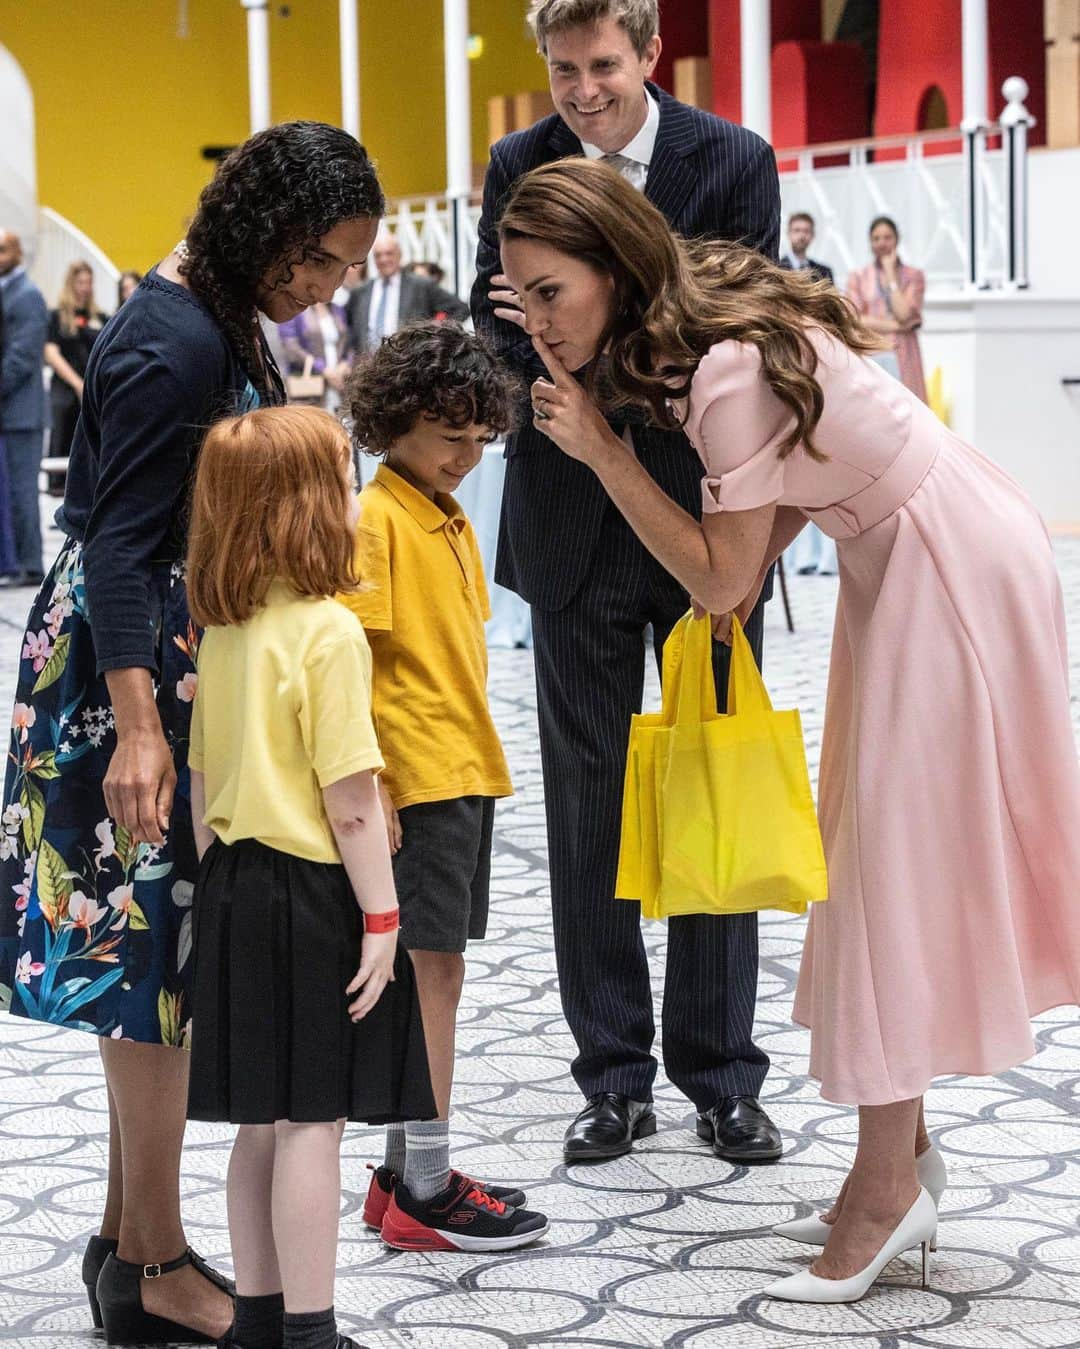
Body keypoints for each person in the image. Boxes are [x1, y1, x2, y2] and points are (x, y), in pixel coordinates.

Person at [497, 156, 1080, 1303]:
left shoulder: (716, 369)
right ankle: (895, 1157)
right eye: (520, 297)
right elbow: (776, 511)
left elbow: (717, 580)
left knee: (892, 872)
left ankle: (883, 1184)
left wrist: (605, 455)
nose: (536, 322)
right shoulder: (692, 328)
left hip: (941, 565)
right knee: (873, 864)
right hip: (909, 552)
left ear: (615, 271)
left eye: (551, 291)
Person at [0, 121, 384, 1343]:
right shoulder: (175, 337)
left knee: (156, 964)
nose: (327, 287)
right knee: (147, 971)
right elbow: (115, 539)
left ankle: (131, 1239)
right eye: (320, 262)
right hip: (128, 673)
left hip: (163, 653)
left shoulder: (203, 305)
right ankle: (156, 1261)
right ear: (271, 234)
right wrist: (137, 731)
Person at [472, 0, 783, 1166]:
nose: (583, 90)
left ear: (650, 55)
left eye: (602, 65)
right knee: (585, 807)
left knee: (711, 785)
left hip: (710, 511)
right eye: (562, 69)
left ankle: (721, 1075)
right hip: (566, 523)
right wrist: (572, 355)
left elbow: (738, 327)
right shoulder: (518, 163)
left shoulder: (732, 162)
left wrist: (596, 371)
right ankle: (612, 1073)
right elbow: (499, 329)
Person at [185, 404, 435, 1349]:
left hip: (236, 883)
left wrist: (228, 891)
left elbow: (205, 783)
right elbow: (353, 799)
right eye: (340, 478)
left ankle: (255, 1316)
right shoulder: (329, 632)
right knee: (312, 1123)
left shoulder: (225, 629)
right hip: (312, 894)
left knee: (258, 1118)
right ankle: (312, 1328)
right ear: (305, 506)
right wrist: (381, 914)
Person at [340, 322, 549, 1253]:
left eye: (479, 438)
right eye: (446, 434)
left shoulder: (444, 511)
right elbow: (354, 661)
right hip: (418, 780)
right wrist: (375, 784)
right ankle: (425, 1183)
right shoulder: (378, 517)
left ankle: (401, 1170)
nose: (466, 455)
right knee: (432, 978)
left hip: (461, 768)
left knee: (437, 974)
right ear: (392, 424)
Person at [0, 229, 48, 587]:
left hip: (21, 414)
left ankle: (31, 565)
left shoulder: (27, 296)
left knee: (21, 490)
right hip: (9, 411)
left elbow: (22, 357)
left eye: (2, 251)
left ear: (16, 253)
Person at [346, 233, 469, 357]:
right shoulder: (361, 292)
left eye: (389, 253)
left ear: (399, 254)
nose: (383, 259)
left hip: (408, 363)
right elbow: (348, 328)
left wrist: (435, 328)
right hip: (368, 365)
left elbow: (460, 309)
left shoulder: (420, 286)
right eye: (378, 255)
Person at [847, 215, 927, 401]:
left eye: (887, 237)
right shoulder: (858, 276)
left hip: (903, 354)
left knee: (908, 407)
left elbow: (904, 313)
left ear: (896, 239)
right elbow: (856, 319)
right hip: (872, 351)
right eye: (876, 238)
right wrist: (898, 326)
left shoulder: (913, 276)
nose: (882, 243)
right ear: (870, 242)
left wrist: (891, 275)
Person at [44, 261, 107, 460]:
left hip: (93, 388)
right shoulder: (57, 317)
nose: (85, 288)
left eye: (89, 282)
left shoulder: (99, 317)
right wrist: (77, 384)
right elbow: (51, 353)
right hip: (64, 389)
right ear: (71, 283)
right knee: (61, 436)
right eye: (80, 282)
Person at [277, 300, 351, 410]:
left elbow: (348, 342)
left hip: (339, 381)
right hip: (310, 384)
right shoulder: (294, 310)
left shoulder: (337, 309)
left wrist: (346, 364)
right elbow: (291, 347)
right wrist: (323, 369)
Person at [779, 211, 834, 284]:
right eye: (797, 230)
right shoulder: (777, 269)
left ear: (813, 235)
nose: (802, 236)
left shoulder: (824, 272)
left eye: (806, 231)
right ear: (788, 233)